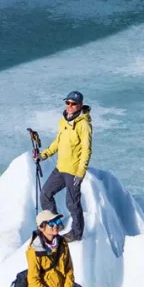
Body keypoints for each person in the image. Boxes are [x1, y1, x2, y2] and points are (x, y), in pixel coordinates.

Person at [33, 91, 92, 242]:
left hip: (73, 171)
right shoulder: (63, 121)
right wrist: (43, 155)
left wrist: (80, 173)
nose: (70, 106)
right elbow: (57, 142)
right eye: (68, 103)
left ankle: (77, 234)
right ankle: (55, 224)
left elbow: (86, 150)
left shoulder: (83, 125)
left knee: (72, 204)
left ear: (80, 105)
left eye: (73, 104)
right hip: (60, 168)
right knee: (45, 193)